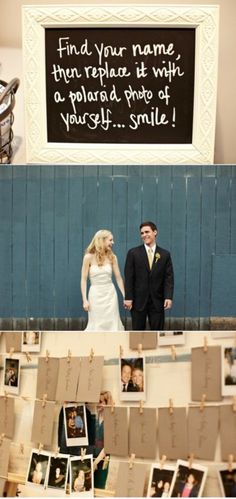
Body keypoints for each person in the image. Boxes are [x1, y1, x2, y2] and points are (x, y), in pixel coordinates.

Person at [124, 221, 174, 330]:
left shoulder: (165, 254)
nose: (144, 235)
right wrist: (128, 297)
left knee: (157, 332)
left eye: (147, 232)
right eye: (142, 233)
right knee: (137, 332)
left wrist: (168, 297)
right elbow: (128, 277)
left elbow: (168, 278)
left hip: (157, 301)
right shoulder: (133, 253)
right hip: (138, 301)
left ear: (155, 232)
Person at [81, 229, 125, 331]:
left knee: (112, 324)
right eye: (110, 240)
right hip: (95, 295)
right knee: (97, 324)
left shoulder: (112, 257)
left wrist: (124, 295)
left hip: (110, 295)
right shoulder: (88, 258)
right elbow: (83, 279)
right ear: (102, 240)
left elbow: (118, 278)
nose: (113, 242)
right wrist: (84, 300)